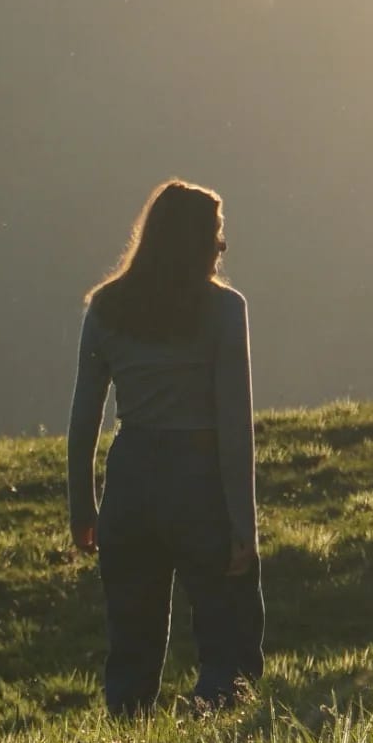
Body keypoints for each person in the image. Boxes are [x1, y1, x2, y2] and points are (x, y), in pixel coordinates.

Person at [68, 180, 262, 715]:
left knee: (132, 634)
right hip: (200, 479)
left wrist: (82, 508)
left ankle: (129, 738)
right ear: (199, 241)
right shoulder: (225, 310)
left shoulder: (105, 308)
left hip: (130, 478)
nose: (222, 247)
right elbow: (234, 422)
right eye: (217, 235)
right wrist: (243, 525)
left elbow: (84, 419)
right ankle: (214, 727)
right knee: (226, 630)